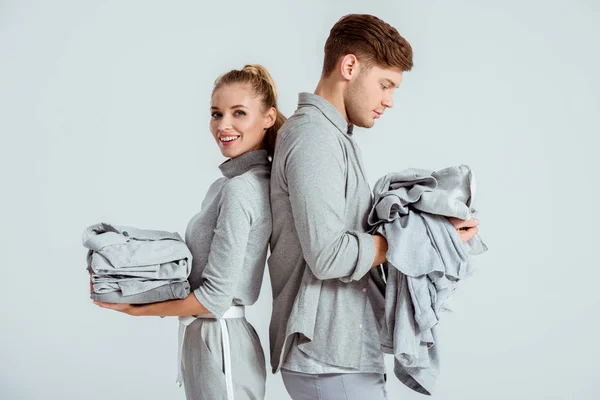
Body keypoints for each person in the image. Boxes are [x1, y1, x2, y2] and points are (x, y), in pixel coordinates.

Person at [267, 14, 480, 399]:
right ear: (349, 66)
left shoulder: (333, 137)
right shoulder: (314, 139)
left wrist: (431, 228)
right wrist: (424, 242)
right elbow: (329, 256)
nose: (389, 101)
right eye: (385, 84)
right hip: (329, 360)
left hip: (340, 356)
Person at [94, 64, 286, 400]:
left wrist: (135, 308)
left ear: (268, 117)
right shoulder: (228, 185)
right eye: (216, 113)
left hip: (220, 340)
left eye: (238, 113)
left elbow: (214, 297)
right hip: (208, 337)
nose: (223, 125)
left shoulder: (240, 190)